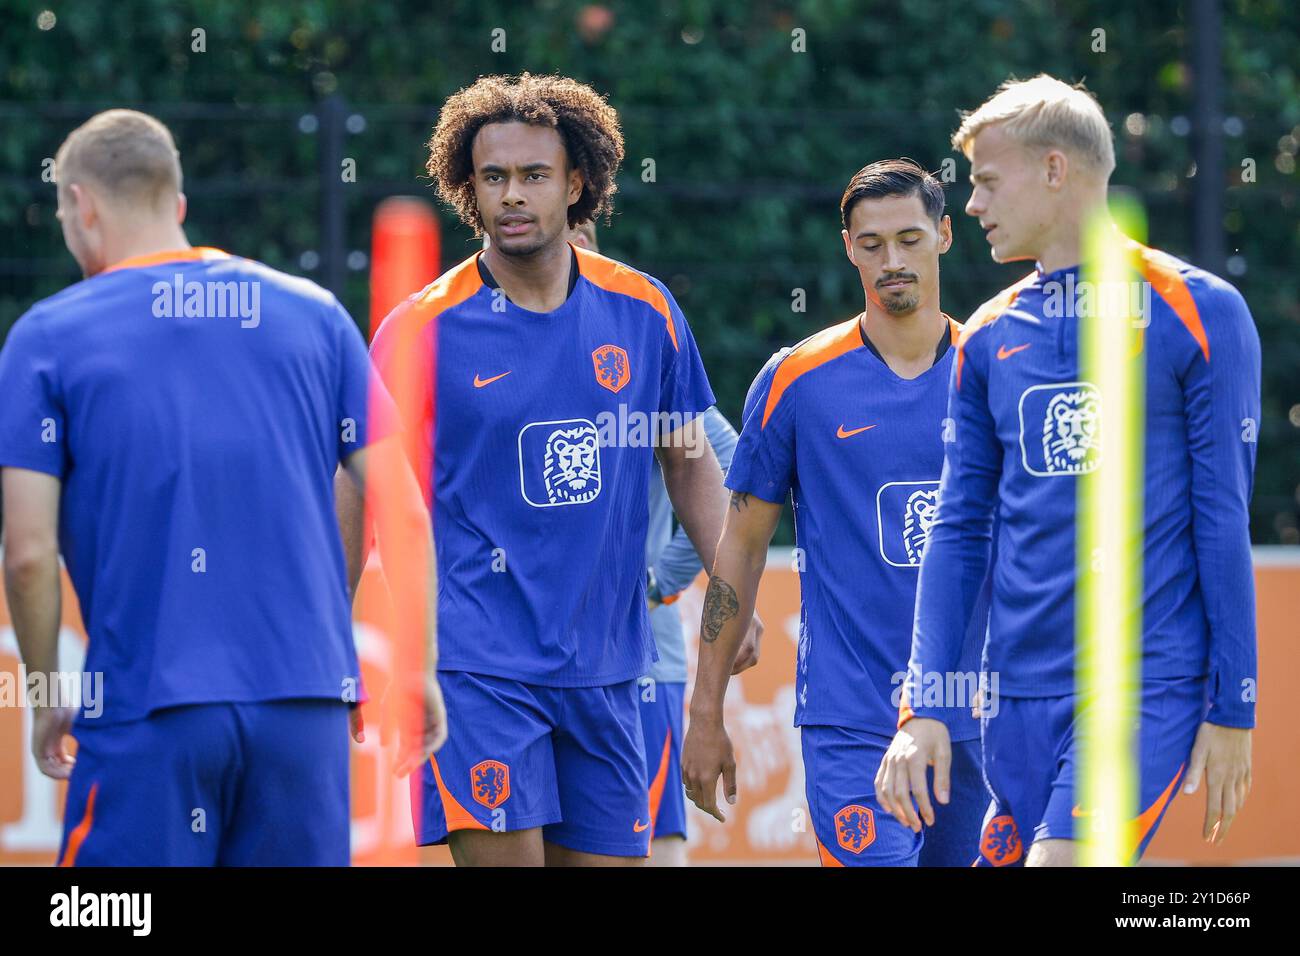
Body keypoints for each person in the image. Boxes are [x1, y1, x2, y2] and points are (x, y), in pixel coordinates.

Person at [0, 109, 441, 866]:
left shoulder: (48, 337)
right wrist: (417, 668)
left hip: (149, 707)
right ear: (176, 204)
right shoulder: (318, 316)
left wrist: (45, 693)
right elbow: (402, 512)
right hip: (304, 712)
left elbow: (31, 551)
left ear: (80, 205)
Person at [337, 73, 733, 866]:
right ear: (468, 189)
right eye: (493, 178)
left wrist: (733, 582)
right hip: (476, 668)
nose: (511, 196)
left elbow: (690, 461)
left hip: (610, 670)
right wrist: (329, 636)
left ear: (576, 182)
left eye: (532, 176)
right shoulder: (419, 329)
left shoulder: (644, 308)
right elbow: (361, 489)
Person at [877, 75, 1260, 866]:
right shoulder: (985, 335)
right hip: (1014, 700)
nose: (972, 206)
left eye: (985, 181)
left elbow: (1222, 517)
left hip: (1139, 689)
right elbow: (957, 530)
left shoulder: (1199, 309)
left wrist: (1235, 707)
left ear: (1056, 170)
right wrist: (925, 705)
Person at [681, 159, 989, 865]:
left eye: (910, 239)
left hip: (982, 719)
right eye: (872, 243)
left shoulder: (996, 369)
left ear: (945, 235)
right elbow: (742, 547)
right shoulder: (797, 379)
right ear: (848, 247)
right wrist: (705, 713)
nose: (892, 260)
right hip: (852, 722)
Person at [568, 221, 758, 867]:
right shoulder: (486, 344)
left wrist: (663, 575)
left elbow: (730, 466)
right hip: (514, 661)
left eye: (579, 238)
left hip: (639, 655)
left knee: (655, 836)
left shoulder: (634, 353)